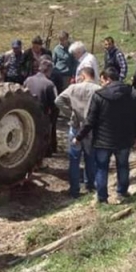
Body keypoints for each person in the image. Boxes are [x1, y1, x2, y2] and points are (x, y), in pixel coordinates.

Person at [74, 67, 136, 204]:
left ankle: (102, 198)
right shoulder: (132, 93)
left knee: (102, 168)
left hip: (103, 141)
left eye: (102, 80)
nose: (101, 83)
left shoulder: (99, 95)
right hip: (124, 138)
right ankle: (122, 192)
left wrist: (79, 137)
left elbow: (90, 121)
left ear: (108, 79)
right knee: (123, 166)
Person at [55, 67, 101, 198]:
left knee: (74, 159)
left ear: (83, 75)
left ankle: (74, 190)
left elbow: (58, 100)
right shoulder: (98, 90)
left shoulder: (73, 88)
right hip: (91, 128)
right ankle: (90, 185)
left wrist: (70, 113)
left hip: (75, 126)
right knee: (90, 158)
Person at [24, 56, 59, 157]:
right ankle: (40, 161)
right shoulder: (50, 84)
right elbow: (55, 104)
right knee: (42, 141)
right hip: (42, 116)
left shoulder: (28, 80)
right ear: (49, 70)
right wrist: (53, 119)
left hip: (28, 114)